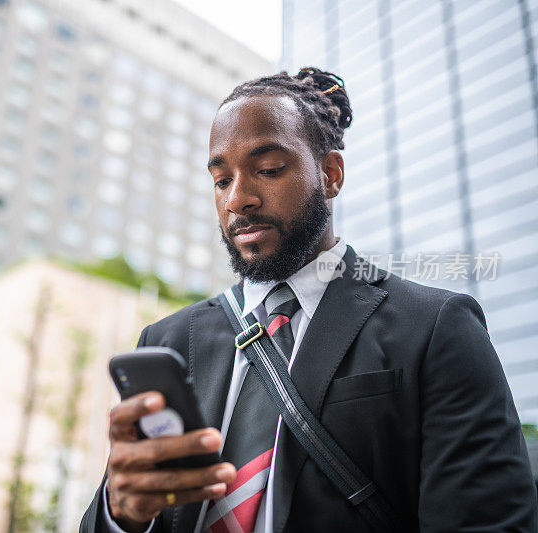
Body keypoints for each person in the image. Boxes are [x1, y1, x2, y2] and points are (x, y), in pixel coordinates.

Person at [80, 67, 538, 532]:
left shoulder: (436, 326)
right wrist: (121, 514)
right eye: (221, 180)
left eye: (269, 170)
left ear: (331, 174)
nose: (238, 199)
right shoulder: (168, 340)